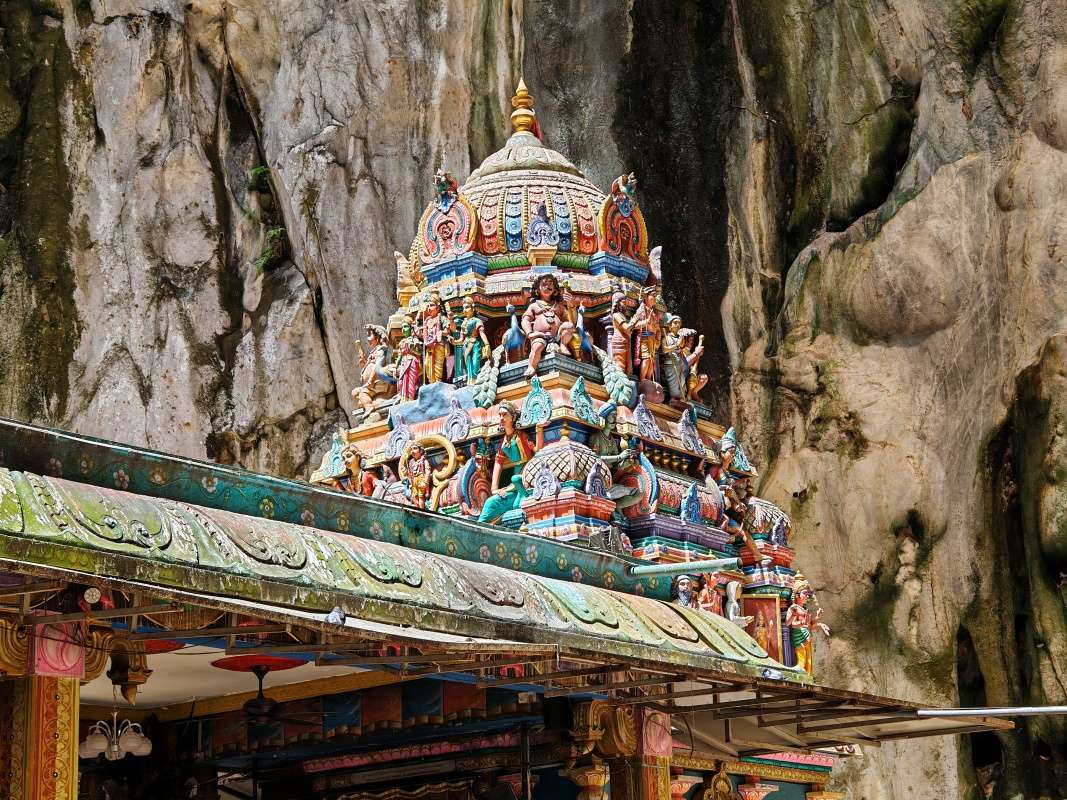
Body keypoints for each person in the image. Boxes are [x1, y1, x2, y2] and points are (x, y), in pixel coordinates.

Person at [478, 401, 545, 524]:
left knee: (514, 482)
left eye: (504, 415)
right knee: (490, 502)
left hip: (526, 475)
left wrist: (539, 430)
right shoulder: (504, 441)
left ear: (513, 417)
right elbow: (498, 462)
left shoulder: (521, 436)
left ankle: (522, 498)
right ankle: (480, 527)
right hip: (513, 483)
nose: (501, 418)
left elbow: (538, 452)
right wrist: (494, 489)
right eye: (500, 415)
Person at [520, 274, 577, 377]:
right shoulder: (534, 305)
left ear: (555, 290)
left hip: (558, 337)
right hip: (541, 336)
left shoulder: (558, 306)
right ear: (537, 289)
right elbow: (525, 320)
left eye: (550, 285)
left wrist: (571, 305)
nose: (547, 287)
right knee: (537, 346)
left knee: (568, 326)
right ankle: (531, 367)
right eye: (544, 284)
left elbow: (571, 322)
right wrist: (530, 333)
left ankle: (563, 345)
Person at [784, 574, 830, 675]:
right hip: (798, 637)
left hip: (807, 637)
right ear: (797, 595)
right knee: (802, 660)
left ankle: (808, 680)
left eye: (808, 594)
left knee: (809, 662)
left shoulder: (804, 610)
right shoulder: (793, 608)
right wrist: (800, 622)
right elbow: (789, 623)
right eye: (805, 593)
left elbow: (810, 626)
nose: (807, 596)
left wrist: (819, 622)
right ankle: (800, 679)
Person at [352, 325, 395, 415]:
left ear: (378, 337)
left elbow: (377, 367)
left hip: (377, 383)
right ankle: (369, 403)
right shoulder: (374, 351)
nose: (368, 339)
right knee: (355, 393)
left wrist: (370, 381)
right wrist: (364, 362)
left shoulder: (381, 350)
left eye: (370, 335)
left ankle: (369, 407)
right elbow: (369, 366)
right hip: (372, 385)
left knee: (362, 394)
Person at [451, 296, 490, 382]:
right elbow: (461, 339)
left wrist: (487, 345)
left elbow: (481, 333)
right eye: (464, 308)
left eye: (467, 307)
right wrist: (454, 341)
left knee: (476, 364)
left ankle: (477, 380)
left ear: (473, 308)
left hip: (475, 344)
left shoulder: (476, 321)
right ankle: (471, 381)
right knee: (469, 365)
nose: (465, 310)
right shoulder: (464, 323)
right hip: (466, 345)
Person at [629, 285, 662, 383]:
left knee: (652, 361)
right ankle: (643, 379)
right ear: (645, 297)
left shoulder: (654, 313)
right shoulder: (641, 310)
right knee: (646, 359)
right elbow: (634, 325)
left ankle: (648, 380)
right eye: (653, 296)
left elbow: (657, 328)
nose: (655, 298)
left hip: (652, 339)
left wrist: (658, 335)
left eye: (656, 296)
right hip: (644, 337)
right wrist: (645, 322)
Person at [416, 292, 449, 384]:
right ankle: (431, 383)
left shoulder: (442, 318)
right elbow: (424, 336)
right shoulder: (427, 320)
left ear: (438, 307)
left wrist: (441, 332)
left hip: (439, 345)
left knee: (438, 365)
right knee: (427, 364)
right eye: (428, 306)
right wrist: (419, 334)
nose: (429, 308)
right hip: (429, 346)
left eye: (432, 305)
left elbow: (448, 331)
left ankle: (438, 382)